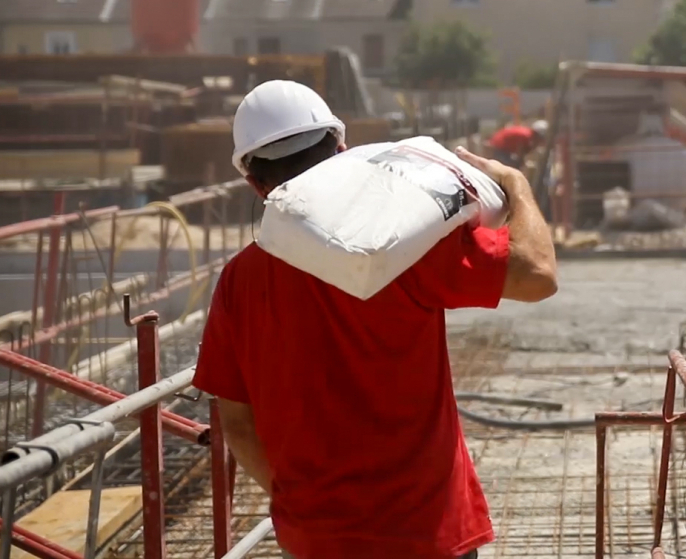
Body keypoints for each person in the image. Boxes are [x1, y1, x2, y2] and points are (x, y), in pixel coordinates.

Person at [193, 80, 558, 559]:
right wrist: (517, 187)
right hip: (426, 531)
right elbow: (538, 274)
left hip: (316, 540)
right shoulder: (404, 245)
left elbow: (237, 424)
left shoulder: (239, 281)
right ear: (342, 151)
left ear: (253, 182)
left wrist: (305, 506)